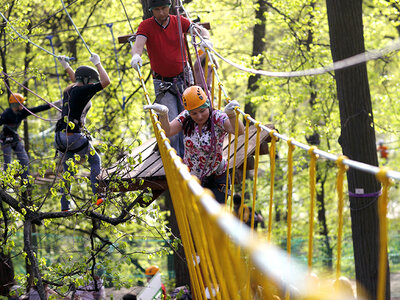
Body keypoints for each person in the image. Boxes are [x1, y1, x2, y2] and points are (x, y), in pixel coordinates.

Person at [130, 0, 209, 157]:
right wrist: (136, 56)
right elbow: (138, 44)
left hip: (184, 79)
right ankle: (178, 162)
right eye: (157, 9)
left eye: (164, 8)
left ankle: (194, 156)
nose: (161, 13)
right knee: (171, 124)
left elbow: (200, 30)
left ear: (169, 8)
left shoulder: (179, 21)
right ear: (152, 10)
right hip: (163, 82)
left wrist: (205, 39)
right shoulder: (146, 25)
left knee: (191, 117)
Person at [144, 85, 245, 203]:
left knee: (214, 217)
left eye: (202, 111)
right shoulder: (186, 117)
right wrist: (163, 115)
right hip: (193, 179)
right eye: (194, 113)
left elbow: (239, 131)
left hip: (216, 176)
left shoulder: (217, 117)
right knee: (196, 217)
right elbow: (168, 131)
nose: (199, 116)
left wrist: (231, 115)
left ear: (208, 105)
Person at [54, 54, 110, 211]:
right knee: (95, 160)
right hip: (73, 137)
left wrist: (66, 66)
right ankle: (98, 196)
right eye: (91, 81)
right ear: (86, 81)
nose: (92, 84)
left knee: (68, 170)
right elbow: (106, 82)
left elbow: (75, 80)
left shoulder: (70, 90)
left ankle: (65, 207)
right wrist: (98, 63)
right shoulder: (82, 90)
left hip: (60, 137)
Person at [0, 93, 58, 180]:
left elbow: (35, 109)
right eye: (21, 103)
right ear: (16, 104)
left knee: (24, 159)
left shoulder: (22, 112)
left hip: (15, 139)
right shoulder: (6, 113)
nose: (23, 105)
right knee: (7, 162)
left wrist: (49, 106)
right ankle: (5, 182)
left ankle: (26, 181)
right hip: (5, 140)